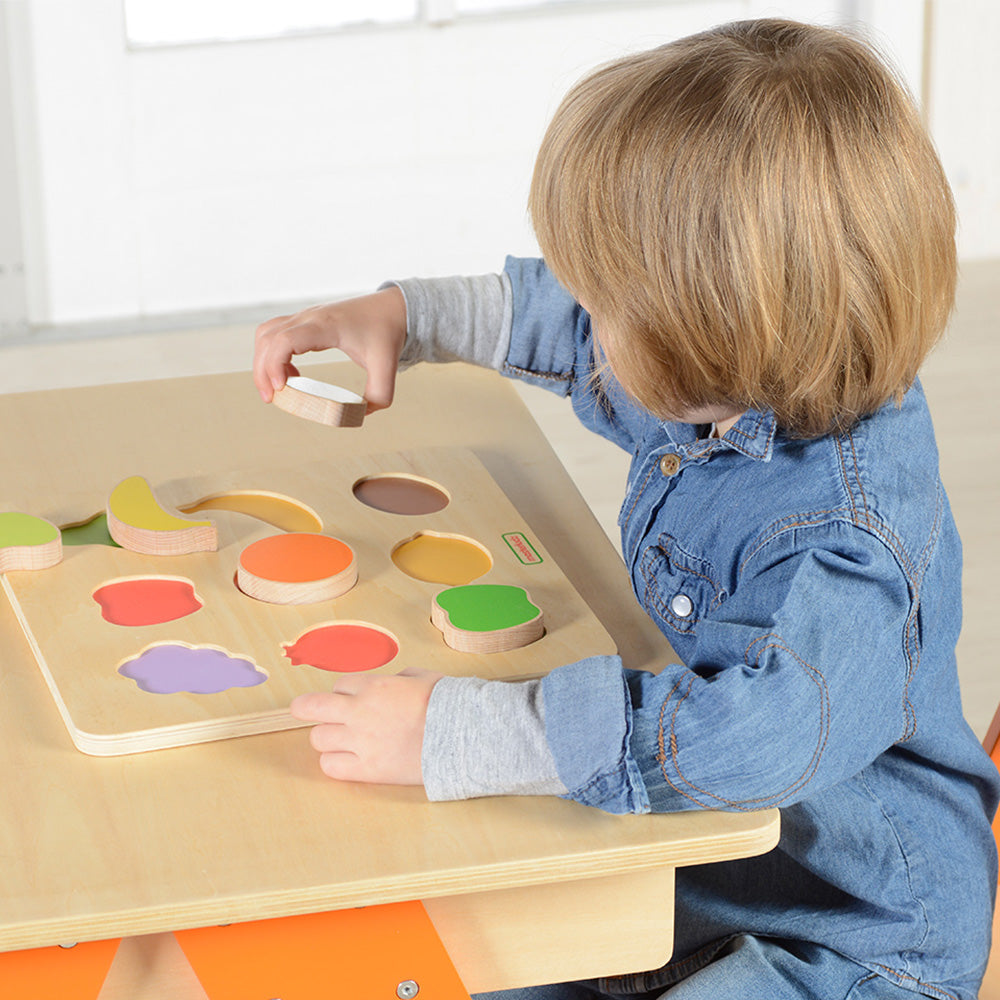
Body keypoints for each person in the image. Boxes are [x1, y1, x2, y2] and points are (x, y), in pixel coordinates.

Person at [252, 18, 1000, 1000]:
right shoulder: (745, 371)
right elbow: (564, 321)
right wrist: (405, 315)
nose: (584, 317)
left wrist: (464, 734)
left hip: (842, 944)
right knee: (439, 945)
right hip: (697, 865)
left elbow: (749, 741)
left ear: (698, 335)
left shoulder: (842, 551)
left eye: (605, 299)